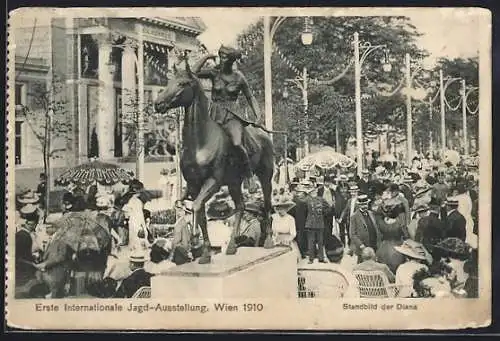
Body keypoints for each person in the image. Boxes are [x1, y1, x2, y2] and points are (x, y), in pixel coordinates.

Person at [193, 45, 261, 178]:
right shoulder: (214, 72)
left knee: (236, 143)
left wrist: (258, 116)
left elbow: (250, 97)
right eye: (220, 56)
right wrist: (206, 57)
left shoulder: (239, 77)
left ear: (231, 60)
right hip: (214, 113)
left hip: (232, 115)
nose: (222, 60)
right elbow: (193, 72)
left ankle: (248, 175)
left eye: (225, 58)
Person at [34, 220, 72, 298]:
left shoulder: (62, 239)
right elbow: (49, 254)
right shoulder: (51, 239)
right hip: (48, 274)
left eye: (48, 228)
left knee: (54, 297)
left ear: (54, 228)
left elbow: (61, 256)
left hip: (56, 274)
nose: (46, 230)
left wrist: (46, 264)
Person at [375, 198, 407, 274]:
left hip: (383, 247)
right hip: (397, 247)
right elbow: (405, 235)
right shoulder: (399, 223)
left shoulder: (381, 223)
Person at [15, 207, 40, 297]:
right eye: (33, 224)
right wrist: (33, 263)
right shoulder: (24, 236)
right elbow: (21, 257)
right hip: (24, 270)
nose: (34, 226)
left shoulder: (25, 234)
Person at [349, 194, 381, 263]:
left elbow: (376, 227)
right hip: (363, 246)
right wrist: (361, 245)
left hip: (374, 243)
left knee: (374, 264)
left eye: (365, 204)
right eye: (362, 204)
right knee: (362, 265)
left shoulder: (371, 213)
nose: (364, 206)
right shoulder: (354, 216)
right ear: (359, 205)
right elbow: (352, 234)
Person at [304, 185, 330, 264]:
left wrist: (323, 214)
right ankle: (311, 258)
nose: (314, 192)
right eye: (311, 191)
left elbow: (328, 207)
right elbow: (303, 211)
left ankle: (321, 258)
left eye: (314, 191)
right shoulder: (306, 200)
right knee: (311, 242)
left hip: (319, 223)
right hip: (310, 224)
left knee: (320, 242)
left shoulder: (321, 199)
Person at [271, 195, 301, 262]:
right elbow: (273, 230)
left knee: (290, 258)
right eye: (279, 208)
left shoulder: (290, 218)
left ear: (286, 209)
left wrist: (288, 240)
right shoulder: (274, 218)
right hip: (277, 239)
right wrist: (275, 238)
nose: (280, 211)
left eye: (282, 209)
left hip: (288, 240)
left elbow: (293, 233)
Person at [122, 179, 148, 251]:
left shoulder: (133, 200)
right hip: (136, 221)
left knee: (134, 240)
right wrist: (143, 225)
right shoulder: (136, 201)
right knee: (137, 240)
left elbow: (126, 212)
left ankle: (134, 253)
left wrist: (128, 218)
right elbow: (139, 214)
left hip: (134, 221)